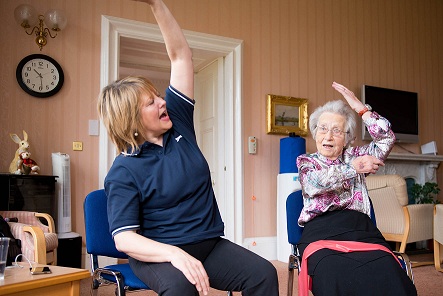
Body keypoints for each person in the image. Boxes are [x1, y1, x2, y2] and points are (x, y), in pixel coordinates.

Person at [97, 1, 278, 295]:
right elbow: (125, 240)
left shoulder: (178, 123)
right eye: (151, 102)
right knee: (182, 288)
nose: (162, 102)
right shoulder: (124, 171)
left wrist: (156, 4)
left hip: (209, 245)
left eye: (159, 95)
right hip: (159, 254)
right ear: (131, 119)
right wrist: (174, 254)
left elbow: (181, 56)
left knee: (263, 274)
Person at [296, 82, 417, 295]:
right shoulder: (307, 161)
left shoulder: (355, 155)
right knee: (333, 275)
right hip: (321, 233)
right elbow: (313, 184)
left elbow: (386, 139)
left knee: (390, 275)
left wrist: (362, 109)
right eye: (323, 128)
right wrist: (353, 168)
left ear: (347, 139)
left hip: (362, 231)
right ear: (315, 133)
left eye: (337, 131)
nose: (328, 136)